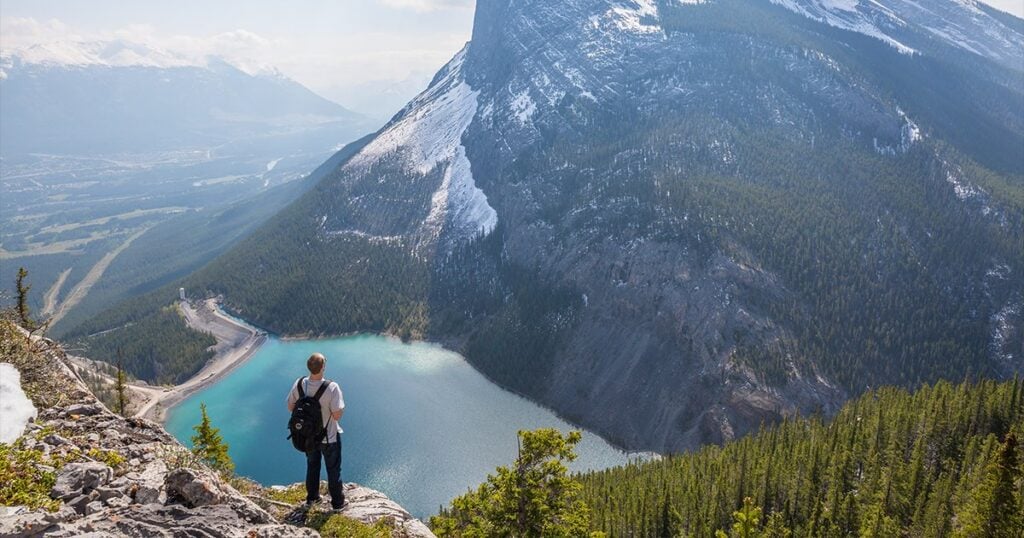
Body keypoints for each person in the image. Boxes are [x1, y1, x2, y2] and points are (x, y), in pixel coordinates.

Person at [286, 352, 346, 509]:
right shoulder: (332, 387)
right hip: (329, 437)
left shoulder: (299, 384)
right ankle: (338, 504)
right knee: (333, 470)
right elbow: (337, 415)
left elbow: (290, 407)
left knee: (312, 466)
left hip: (309, 437)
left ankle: (312, 499)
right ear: (323, 367)